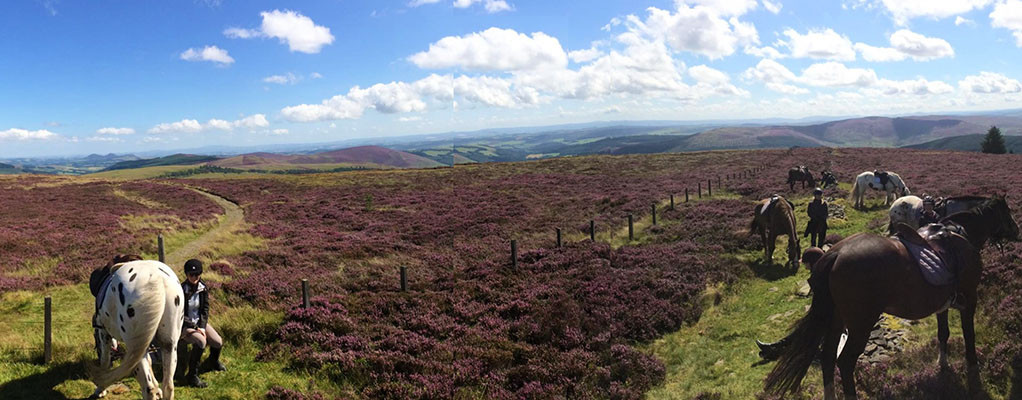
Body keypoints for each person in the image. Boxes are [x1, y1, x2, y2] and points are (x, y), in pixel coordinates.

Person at [175, 259, 225, 388]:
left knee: (218, 342)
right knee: (201, 342)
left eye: (197, 274)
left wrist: (202, 327)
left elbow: (205, 309)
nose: (194, 277)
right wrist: (195, 327)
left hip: (199, 323)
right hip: (184, 325)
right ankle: (192, 375)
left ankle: (213, 362)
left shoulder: (203, 288)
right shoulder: (181, 290)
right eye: (191, 275)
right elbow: (179, 314)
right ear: (186, 274)